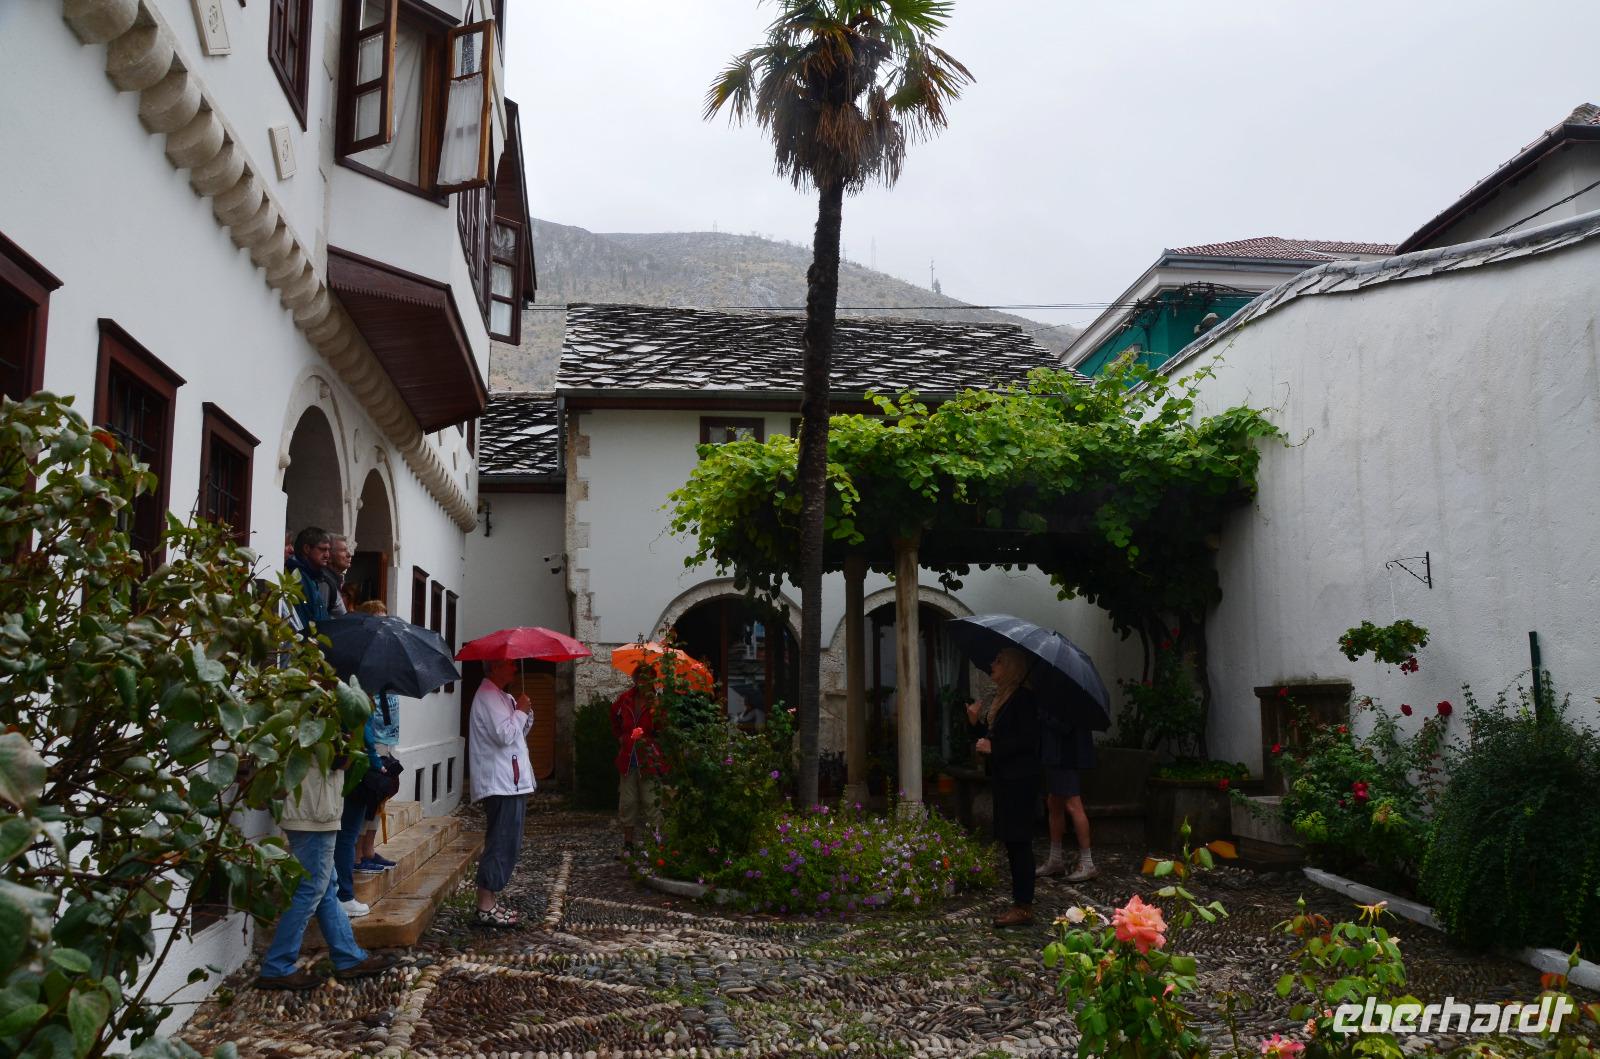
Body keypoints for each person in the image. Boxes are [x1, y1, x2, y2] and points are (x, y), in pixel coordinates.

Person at [256, 759, 398, 989]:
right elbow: (339, 759)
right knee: (312, 889)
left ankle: (348, 957)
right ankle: (277, 965)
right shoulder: (319, 722)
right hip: (313, 812)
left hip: (311, 808)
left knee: (325, 887)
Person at [967, 646, 1043, 928]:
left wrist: (994, 745)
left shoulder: (1023, 699)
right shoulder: (1005, 698)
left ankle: (1024, 906)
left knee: (1020, 842)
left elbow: (1027, 742)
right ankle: (1020, 900)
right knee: (1012, 842)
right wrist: (975, 724)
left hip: (1019, 781)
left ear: (1011, 667)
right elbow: (988, 743)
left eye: (998, 661)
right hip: (1006, 779)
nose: (992, 665)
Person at [468, 657, 534, 927]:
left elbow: (517, 734)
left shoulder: (500, 696)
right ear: (494, 666)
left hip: (510, 781)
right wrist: (519, 711)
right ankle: (485, 904)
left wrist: (524, 713)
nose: (514, 668)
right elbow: (504, 735)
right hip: (501, 783)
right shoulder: (487, 696)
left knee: (507, 841)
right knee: (500, 840)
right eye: (508, 663)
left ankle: (490, 900)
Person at [353, 600, 401, 876]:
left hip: (388, 736)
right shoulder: (363, 660)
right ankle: (360, 854)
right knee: (369, 795)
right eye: (379, 621)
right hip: (373, 737)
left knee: (381, 796)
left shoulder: (386, 657)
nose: (384, 626)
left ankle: (369, 849)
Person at [333, 701, 387, 919]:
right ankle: (344, 895)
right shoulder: (354, 699)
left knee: (343, 835)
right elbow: (365, 737)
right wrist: (377, 764)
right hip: (356, 774)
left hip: (342, 774)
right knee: (348, 835)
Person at [610, 664, 667, 852]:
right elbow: (614, 718)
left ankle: (657, 843)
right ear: (635, 679)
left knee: (652, 801)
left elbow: (663, 729)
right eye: (640, 678)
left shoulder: (656, 703)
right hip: (628, 758)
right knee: (628, 802)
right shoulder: (625, 699)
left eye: (648, 679)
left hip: (649, 758)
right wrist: (620, 737)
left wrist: (658, 714)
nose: (643, 682)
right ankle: (628, 843)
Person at [1037, 715, 1099, 881]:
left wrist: (1040, 716)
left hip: (1064, 756)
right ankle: (1055, 859)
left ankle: (1087, 862)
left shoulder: (1066, 695)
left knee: (1073, 805)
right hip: (1056, 755)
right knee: (1054, 803)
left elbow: (1064, 724)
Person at [285, 527, 332, 632]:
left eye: (329, 550)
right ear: (306, 549)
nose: (327, 555)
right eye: (322, 549)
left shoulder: (310, 576)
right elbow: (303, 623)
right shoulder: (297, 577)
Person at [323, 533, 351, 617]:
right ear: (329, 556)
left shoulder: (334, 580)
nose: (349, 555)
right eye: (343, 550)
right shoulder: (324, 583)